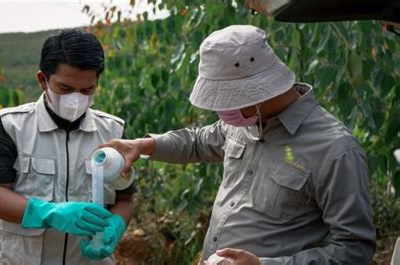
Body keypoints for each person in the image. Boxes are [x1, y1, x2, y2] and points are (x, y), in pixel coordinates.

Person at [100, 25, 376, 264]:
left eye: (228, 101)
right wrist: (143, 145)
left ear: (261, 90)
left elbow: (354, 250)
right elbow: (197, 141)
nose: (222, 113)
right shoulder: (244, 122)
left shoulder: (335, 150)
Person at [0, 29, 135, 265]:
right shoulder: (10, 126)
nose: (76, 99)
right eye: (65, 88)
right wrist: (51, 213)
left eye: (87, 90)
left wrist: (116, 225)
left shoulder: (114, 132)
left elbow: (125, 198)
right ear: (43, 80)